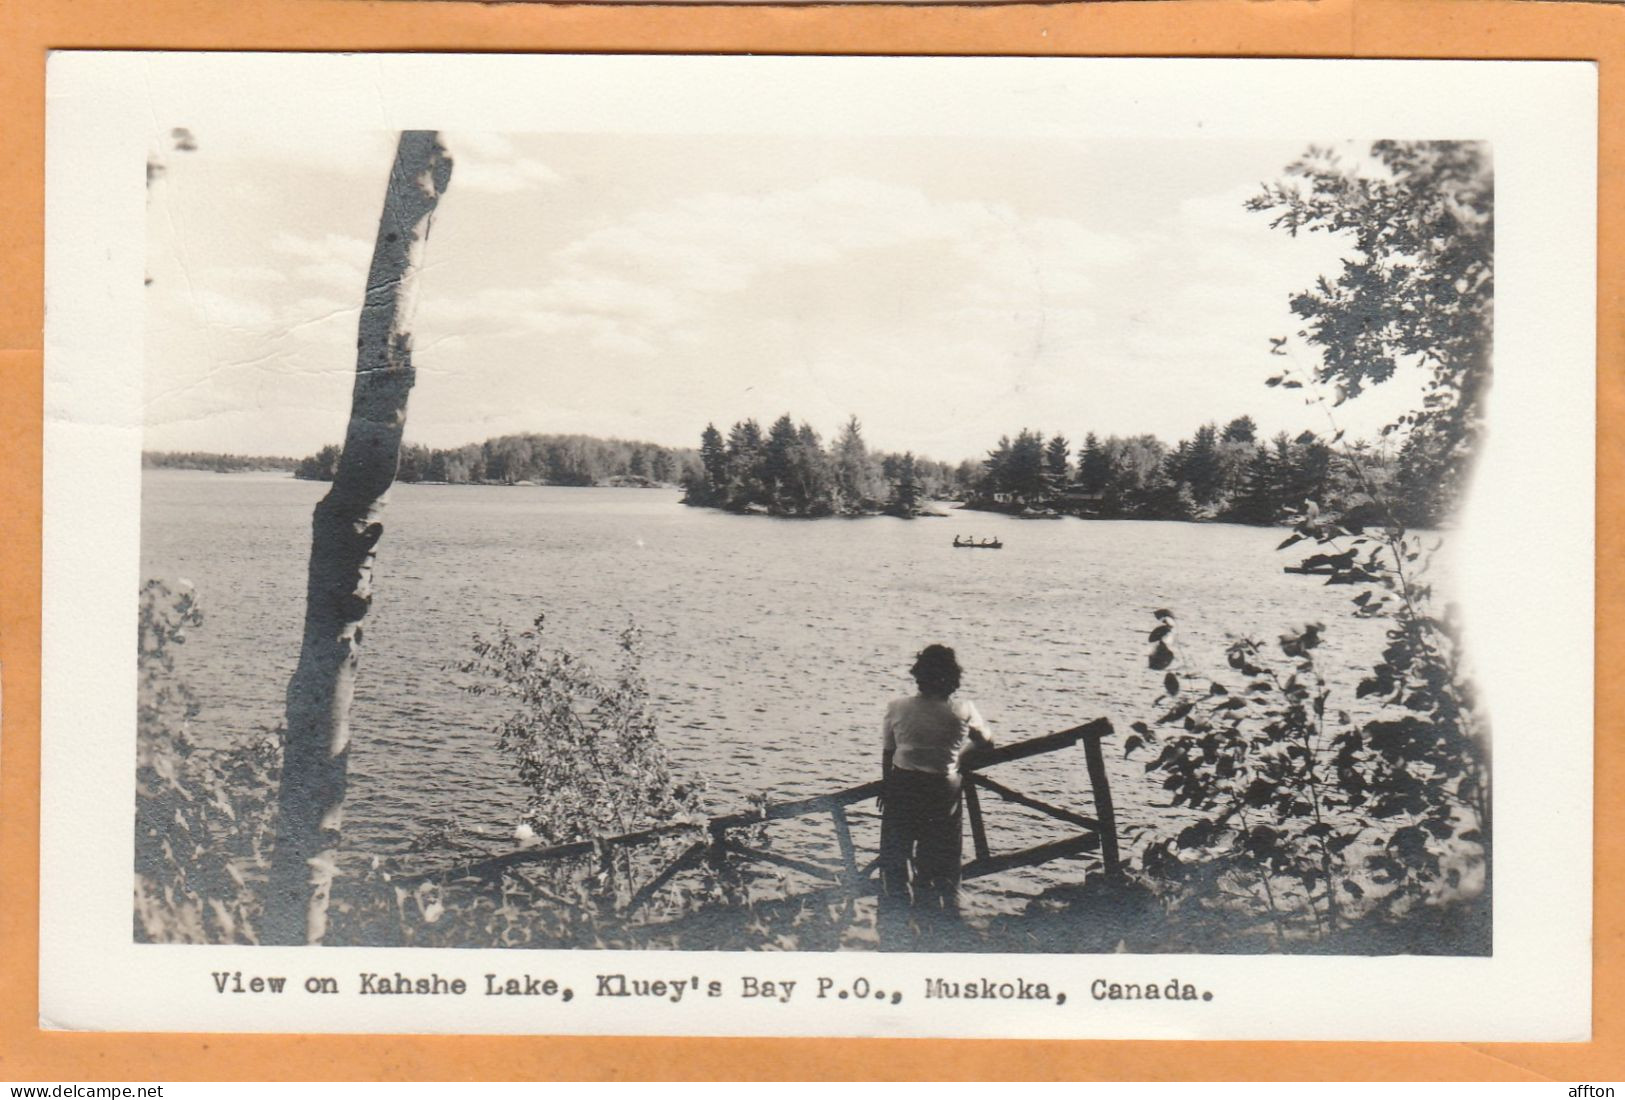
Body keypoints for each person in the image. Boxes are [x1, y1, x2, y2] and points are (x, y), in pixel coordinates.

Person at [878, 644, 994, 945]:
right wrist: (958, 757)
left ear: (919, 675)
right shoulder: (963, 710)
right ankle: (934, 922)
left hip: (902, 786)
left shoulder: (897, 706)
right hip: (942, 789)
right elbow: (986, 743)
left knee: (895, 854)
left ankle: (895, 927)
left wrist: (886, 787)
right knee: (938, 856)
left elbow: (889, 753)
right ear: (952, 678)